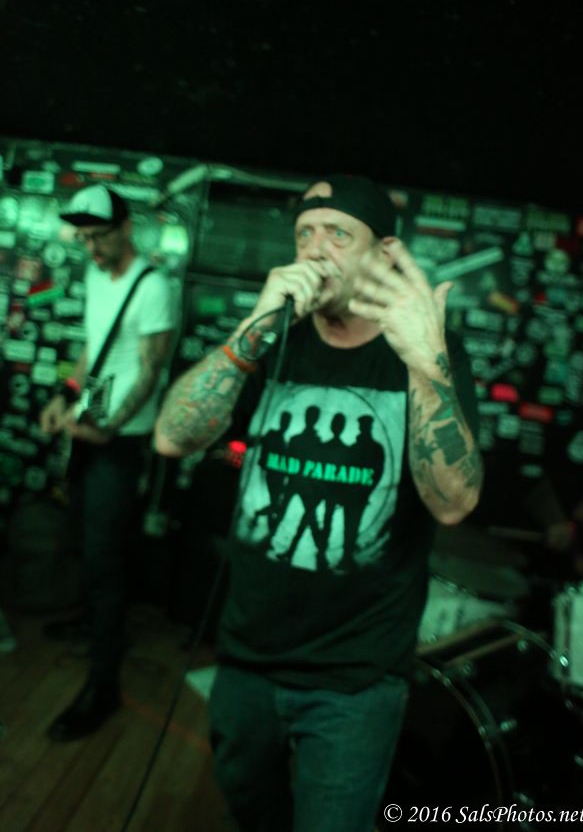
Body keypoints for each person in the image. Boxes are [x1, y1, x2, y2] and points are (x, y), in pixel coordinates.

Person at [155, 174, 483, 832]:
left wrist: (425, 363)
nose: (314, 247)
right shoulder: (274, 339)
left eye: (338, 233)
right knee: (250, 810)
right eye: (305, 233)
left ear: (383, 254)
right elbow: (172, 437)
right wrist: (254, 325)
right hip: (247, 654)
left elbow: (453, 503)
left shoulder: (429, 352)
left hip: (356, 676)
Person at [39, 184, 177, 742]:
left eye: (99, 237)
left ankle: (103, 686)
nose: (92, 249)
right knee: (81, 537)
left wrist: (108, 427)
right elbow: (94, 350)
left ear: (126, 228)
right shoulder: (97, 275)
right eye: (84, 239)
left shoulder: (154, 285)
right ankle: (91, 622)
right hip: (91, 426)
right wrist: (66, 395)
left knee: (105, 559)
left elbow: (150, 370)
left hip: (121, 440)